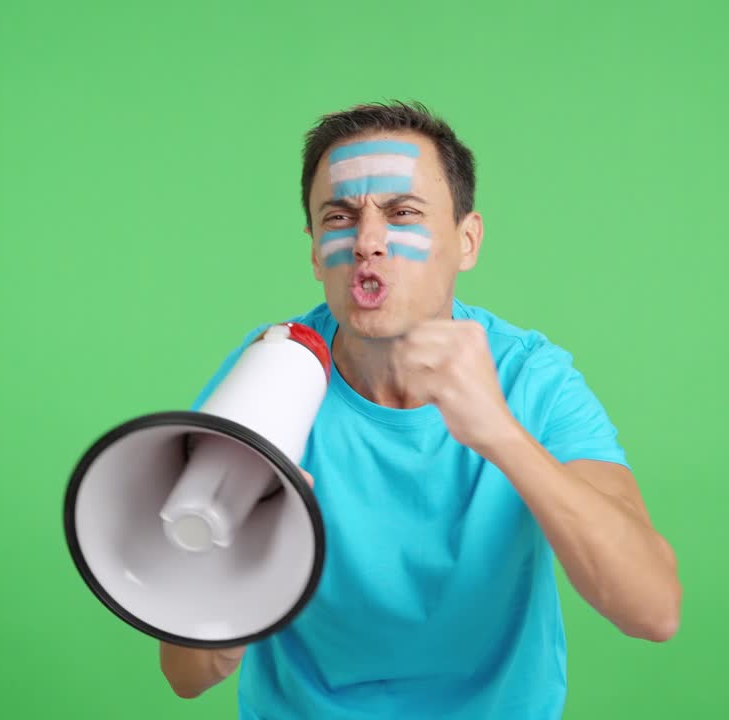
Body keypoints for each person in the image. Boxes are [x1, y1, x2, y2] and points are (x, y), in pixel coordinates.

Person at [159, 101, 681, 719]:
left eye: (402, 213)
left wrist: (500, 434)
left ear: (467, 241)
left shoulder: (530, 377)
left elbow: (653, 609)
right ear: (313, 249)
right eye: (339, 216)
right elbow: (186, 674)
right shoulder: (268, 372)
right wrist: (252, 561)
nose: (367, 242)